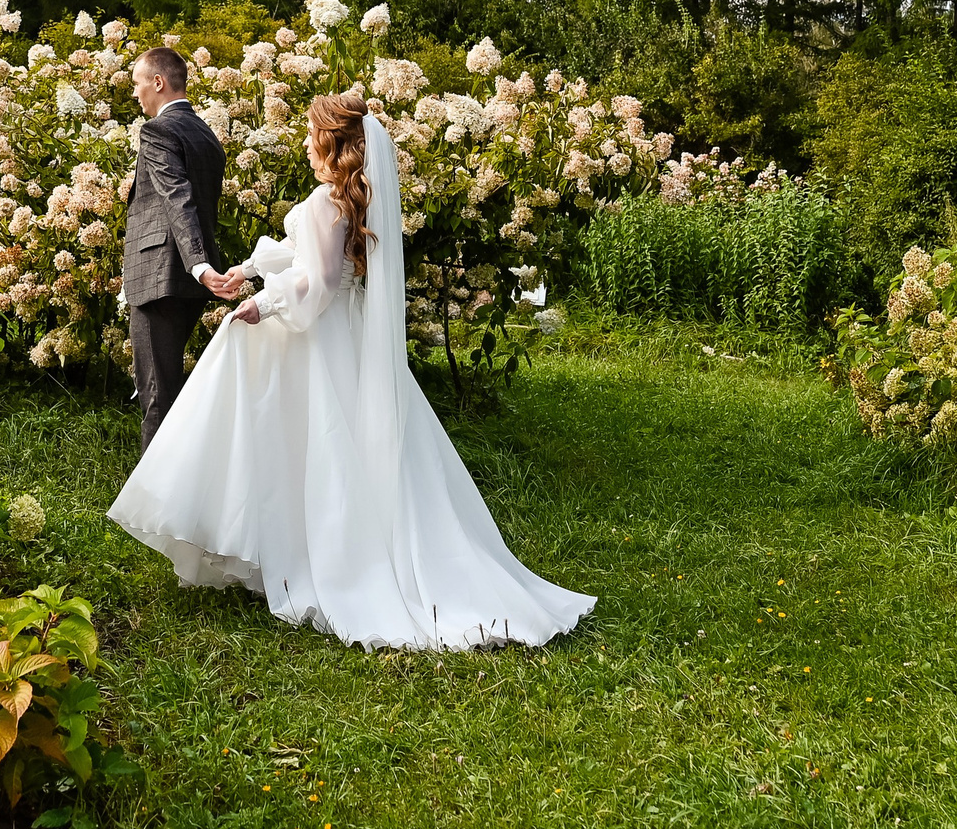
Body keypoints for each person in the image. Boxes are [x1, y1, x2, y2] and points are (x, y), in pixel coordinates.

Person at [108, 88, 595, 650]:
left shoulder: (324, 202)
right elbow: (303, 259)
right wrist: (245, 270)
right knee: (337, 446)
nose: (306, 145)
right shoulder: (347, 202)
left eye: (313, 136)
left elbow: (316, 286)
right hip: (347, 337)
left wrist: (260, 305)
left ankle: (290, 549)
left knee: (306, 439)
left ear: (333, 144)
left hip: (317, 337)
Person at [120, 44, 229, 452]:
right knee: (168, 390)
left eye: (137, 83)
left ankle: (153, 508)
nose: (135, 94)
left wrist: (198, 264)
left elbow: (178, 198)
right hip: (185, 280)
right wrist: (199, 266)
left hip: (163, 276)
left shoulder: (158, 130)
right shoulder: (206, 135)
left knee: (156, 396)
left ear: (158, 82)